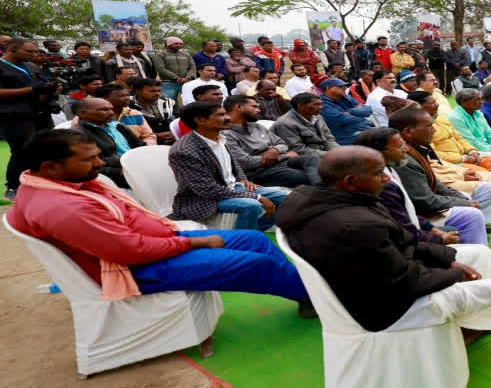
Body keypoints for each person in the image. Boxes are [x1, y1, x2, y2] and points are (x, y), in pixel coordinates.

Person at [275, 146, 491, 388]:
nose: (386, 178)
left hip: (367, 282)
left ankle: (473, 324)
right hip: (384, 308)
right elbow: (403, 280)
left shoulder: (319, 198)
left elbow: (403, 240)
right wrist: (455, 274)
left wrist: (448, 259)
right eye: (378, 173)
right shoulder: (355, 224)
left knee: (478, 254)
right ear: (350, 182)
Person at [9, 129, 312, 315]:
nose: (100, 164)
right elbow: (127, 252)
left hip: (157, 243)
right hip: (136, 268)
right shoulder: (62, 207)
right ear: (50, 167)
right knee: (255, 264)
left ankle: (307, 293)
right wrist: (193, 240)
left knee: (254, 240)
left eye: (98, 156)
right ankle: (316, 296)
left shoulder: (57, 182)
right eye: (89, 160)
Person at [167, 101, 290, 230]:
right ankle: (242, 241)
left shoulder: (220, 138)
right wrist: (257, 197)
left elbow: (234, 164)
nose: (228, 118)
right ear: (200, 120)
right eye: (220, 115)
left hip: (234, 188)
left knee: (286, 198)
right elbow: (207, 190)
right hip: (203, 199)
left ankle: (254, 231)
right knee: (251, 205)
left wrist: (244, 180)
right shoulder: (184, 150)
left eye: (225, 113)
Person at [387, 109, 491, 226]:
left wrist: (471, 152)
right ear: (408, 131)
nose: (434, 130)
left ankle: (480, 223)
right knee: (473, 212)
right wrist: (464, 200)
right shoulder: (405, 158)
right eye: (429, 126)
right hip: (422, 212)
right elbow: (425, 200)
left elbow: (435, 180)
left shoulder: (417, 148)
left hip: (451, 171)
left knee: (472, 194)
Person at [1, 38, 61, 199]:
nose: (34, 54)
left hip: (40, 113)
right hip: (14, 115)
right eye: (30, 51)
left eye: (35, 51)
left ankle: (41, 182)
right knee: (22, 150)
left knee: (45, 148)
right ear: (12, 50)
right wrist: (32, 90)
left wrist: (52, 90)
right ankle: (13, 187)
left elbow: (40, 88)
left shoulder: (31, 66)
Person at [222, 95, 321, 187]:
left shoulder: (257, 127)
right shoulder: (226, 133)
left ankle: (325, 190)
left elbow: (282, 144)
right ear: (239, 107)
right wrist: (283, 155)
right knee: (306, 177)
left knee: (312, 159)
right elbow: (245, 162)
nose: (258, 111)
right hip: (259, 172)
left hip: (282, 163)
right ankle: (325, 192)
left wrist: (274, 150)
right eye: (254, 107)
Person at [72, 97, 144, 188]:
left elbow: (141, 146)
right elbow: (80, 167)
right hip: (114, 180)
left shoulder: (118, 126)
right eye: (104, 110)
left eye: (111, 109)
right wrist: (119, 172)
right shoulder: (77, 135)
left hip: (137, 170)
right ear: (82, 113)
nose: (111, 112)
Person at [272, 92, 340, 157]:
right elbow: (298, 150)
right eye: (316, 104)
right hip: (302, 158)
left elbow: (328, 138)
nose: (321, 107)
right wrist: (330, 155)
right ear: (301, 106)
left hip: (321, 153)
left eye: (320, 104)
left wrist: (338, 152)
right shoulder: (285, 123)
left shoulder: (317, 117)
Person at [318, 78, 374, 146]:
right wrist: (358, 113)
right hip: (344, 136)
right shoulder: (321, 104)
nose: (345, 88)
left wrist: (349, 111)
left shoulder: (347, 97)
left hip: (362, 128)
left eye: (345, 86)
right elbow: (344, 119)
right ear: (328, 88)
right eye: (341, 86)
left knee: (384, 134)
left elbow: (368, 110)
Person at [129, 78, 176, 145]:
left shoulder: (168, 102)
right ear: (138, 91)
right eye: (152, 91)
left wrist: (174, 134)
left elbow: (180, 120)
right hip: (146, 141)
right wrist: (156, 135)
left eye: (159, 90)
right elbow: (132, 131)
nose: (157, 93)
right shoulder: (129, 107)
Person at [151, 36, 196, 102]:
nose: (178, 45)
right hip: (168, 82)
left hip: (186, 82)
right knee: (168, 102)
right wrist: (176, 77)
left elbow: (193, 67)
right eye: (176, 43)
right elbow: (161, 69)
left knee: (191, 101)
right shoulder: (160, 54)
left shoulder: (186, 54)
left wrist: (188, 77)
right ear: (168, 44)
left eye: (180, 44)